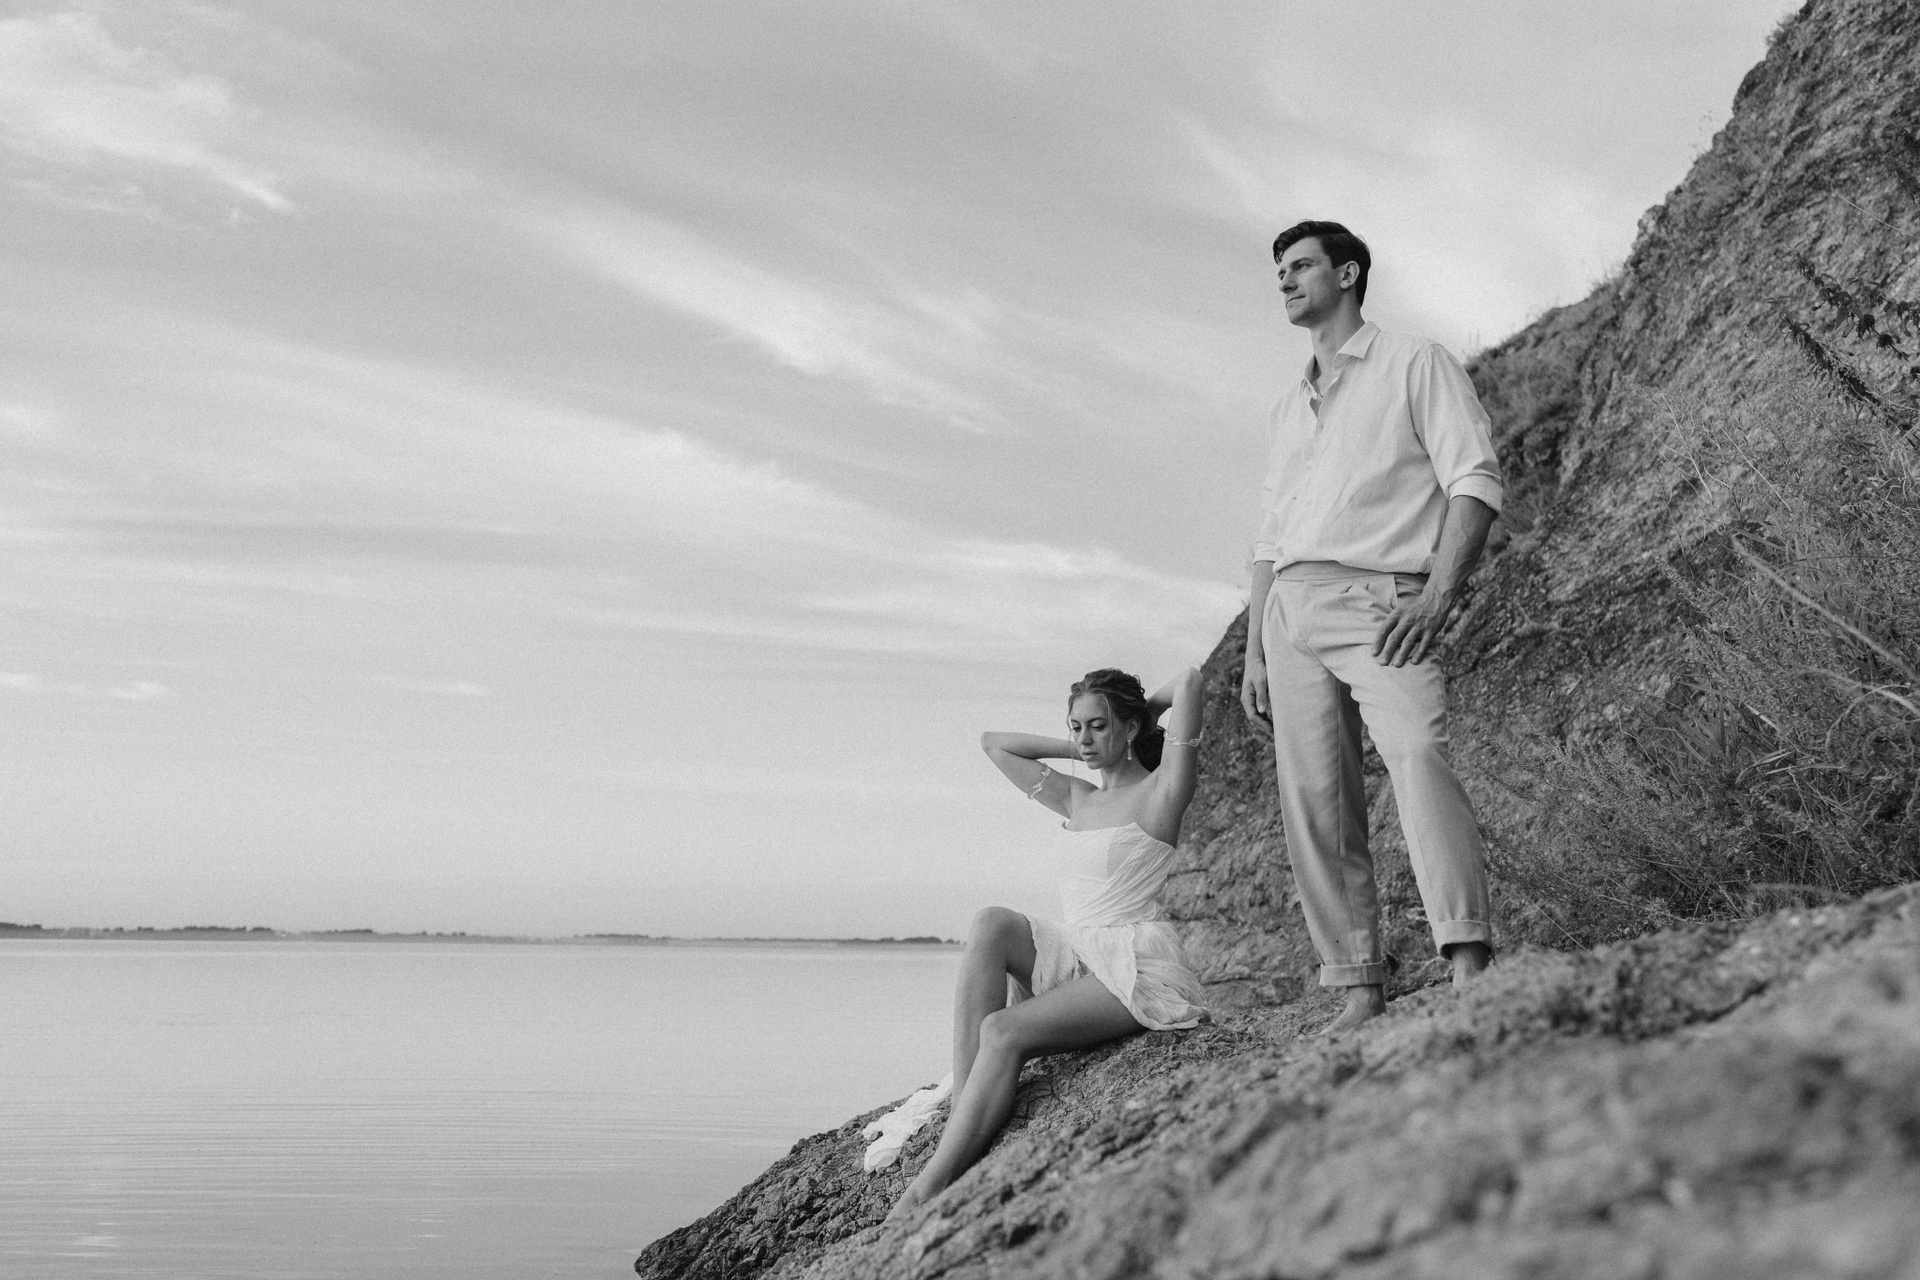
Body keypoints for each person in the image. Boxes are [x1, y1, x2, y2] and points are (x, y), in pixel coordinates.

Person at [1239, 219, 1502, 1035]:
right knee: (1316, 801)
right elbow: (1270, 538)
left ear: (1348, 273)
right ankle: (1358, 984)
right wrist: (1253, 651)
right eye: (1279, 271)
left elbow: (1474, 480)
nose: (1285, 281)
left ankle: (1468, 960)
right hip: (1289, 612)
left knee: (1418, 755)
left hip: (1379, 600)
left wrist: (1438, 597)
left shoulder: (1414, 362)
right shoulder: (1287, 407)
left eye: (1301, 266)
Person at [884, 667, 1207, 1219]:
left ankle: (927, 1189)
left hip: (1133, 963)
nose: (1085, 738)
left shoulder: (1163, 790)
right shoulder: (1078, 797)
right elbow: (994, 744)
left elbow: (1191, 681)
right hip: (1076, 951)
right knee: (990, 922)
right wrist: (1078, 748)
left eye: (1098, 725)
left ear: (1130, 728)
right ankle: (965, 1115)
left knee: (1001, 1030)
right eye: (1076, 726)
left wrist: (1145, 714)